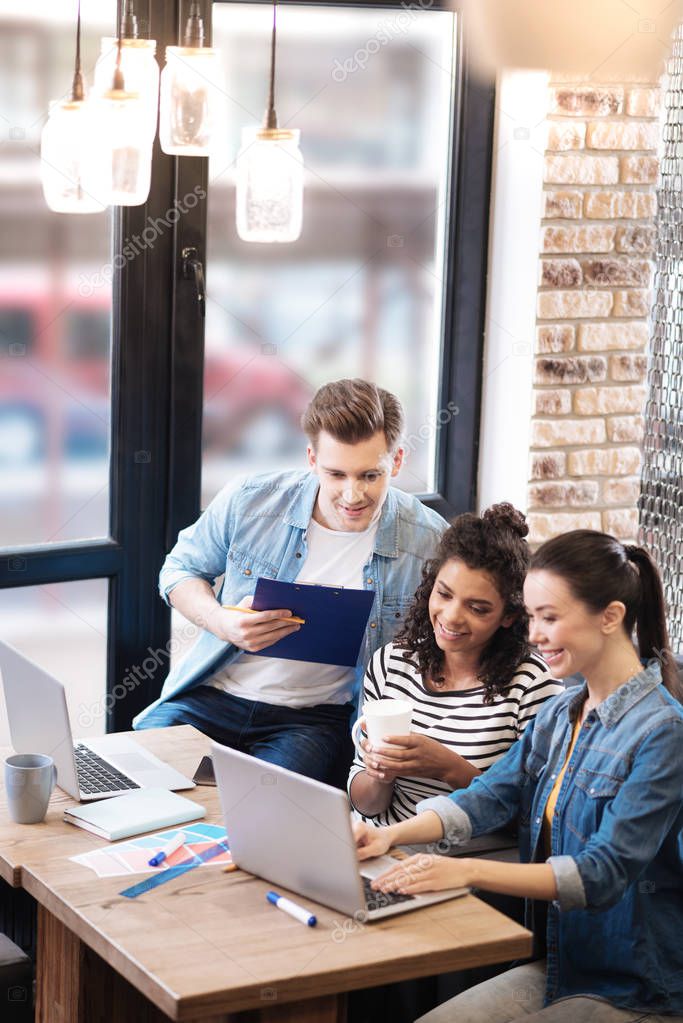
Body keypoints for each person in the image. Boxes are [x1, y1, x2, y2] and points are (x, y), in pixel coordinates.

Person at [354, 529, 683, 1023]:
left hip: (635, 985)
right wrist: (388, 837)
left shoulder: (663, 732)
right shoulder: (562, 715)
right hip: (560, 962)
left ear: (610, 617)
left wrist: (463, 869)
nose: (532, 635)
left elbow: (603, 873)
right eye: (531, 617)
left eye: (549, 618)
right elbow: (487, 796)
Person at [134, 378, 448, 785]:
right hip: (212, 696)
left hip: (311, 720)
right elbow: (178, 571)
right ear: (311, 459)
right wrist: (221, 621)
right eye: (336, 474)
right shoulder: (251, 500)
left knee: (268, 814)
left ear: (398, 461)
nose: (352, 495)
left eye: (371, 475)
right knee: (138, 778)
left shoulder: (428, 542)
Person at [348, 504, 562, 825]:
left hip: (467, 861)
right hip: (381, 848)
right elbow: (368, 806)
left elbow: (537, 818)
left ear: (509, 616)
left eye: (477, 608)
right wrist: (381, 774)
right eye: (444, 594)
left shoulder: (532, 687)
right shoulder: (391, 663)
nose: (451, 616)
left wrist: (449, 768)